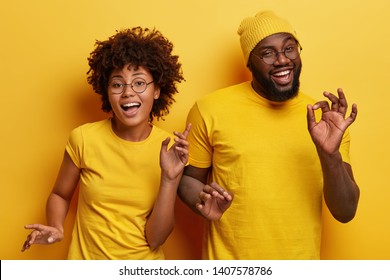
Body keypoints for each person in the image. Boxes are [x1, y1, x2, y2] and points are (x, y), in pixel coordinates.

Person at [178, 11, 360, 260]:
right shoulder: (209, 109)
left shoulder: (326, 121)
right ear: (249, 62)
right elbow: (188, 179)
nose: (282, 60)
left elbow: (346, 211)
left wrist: (329, 154)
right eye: (267, 53)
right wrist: (201, 199)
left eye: (289, 48)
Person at [22, 27, 190, 259]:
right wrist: (56, 227)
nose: (128, 93)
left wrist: (170, 179)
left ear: (157, 91)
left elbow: (155, 239)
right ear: (106, 91)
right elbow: (60, 194)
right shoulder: (83, 139)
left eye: (139, 83)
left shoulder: (169, 149)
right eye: (117, 84)